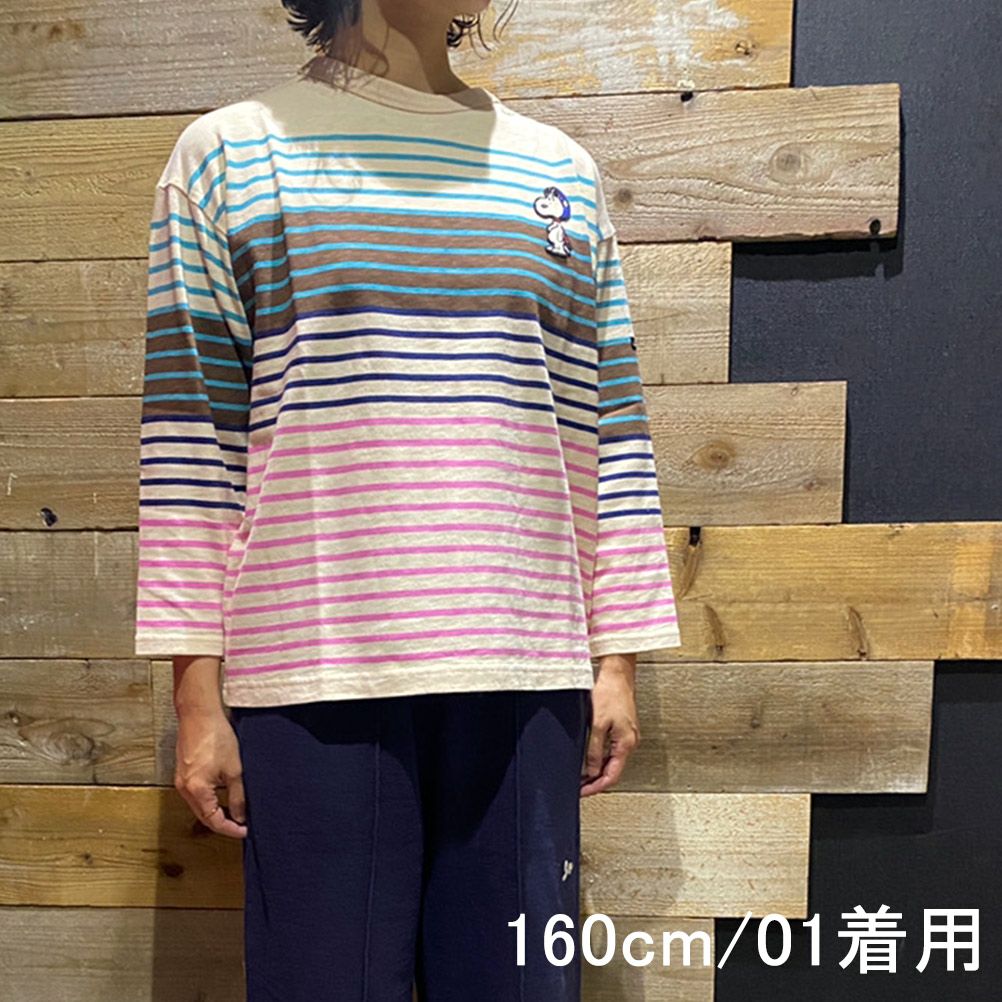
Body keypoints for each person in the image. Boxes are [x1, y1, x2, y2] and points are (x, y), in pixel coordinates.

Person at [134, 1, 682, 998]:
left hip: (522, 670)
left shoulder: (557, 172)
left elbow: (608, 430)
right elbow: (190, 445)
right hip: (311, 677)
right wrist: (194, 690)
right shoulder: (230, 158)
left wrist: (616, 658)